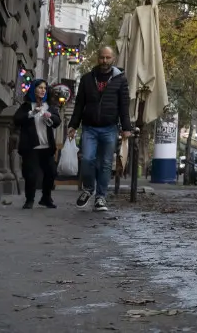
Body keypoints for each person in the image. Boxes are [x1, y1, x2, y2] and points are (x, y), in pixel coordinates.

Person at [67, 46, 133, 213]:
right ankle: (89, 189)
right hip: (90, 127)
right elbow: (79, 104)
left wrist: (126, 128)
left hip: (110, 128)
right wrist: (73, 125)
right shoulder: (87, 79)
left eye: (108, 58)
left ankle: (100, 197)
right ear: (97, 58)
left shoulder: (120, 79)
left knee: (105, 164)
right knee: (88, 159)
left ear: (113, 59)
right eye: (102, 57)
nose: (104, 61)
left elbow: (124, 105)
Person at [13, 79, 61, 209]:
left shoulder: (49, 105)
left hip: (47, 146)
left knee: (51, 172)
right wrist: (32, 113)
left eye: (44, 88)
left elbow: (57, 121)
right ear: (34, 89)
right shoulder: (26, 106)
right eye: (40, 87)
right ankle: (29, 199)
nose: (43, 90)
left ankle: (46, 198)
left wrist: (49, 117)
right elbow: (17, 119)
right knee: (31, 174)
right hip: (31, 146)